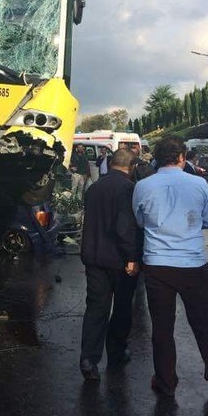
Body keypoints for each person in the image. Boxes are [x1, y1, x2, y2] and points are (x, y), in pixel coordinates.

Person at [132, 136, 208, 398]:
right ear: (181, 157)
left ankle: (166, 381)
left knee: (162, 328)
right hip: (191, 263)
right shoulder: (198, 184)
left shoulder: (142, 186)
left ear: (156, 158)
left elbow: (140, 222)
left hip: (157, 265)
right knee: (204, 324)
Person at [79, 148, 142, 381]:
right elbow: (125, 227)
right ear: (131, 166)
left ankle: (88, 358)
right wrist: (132, 257)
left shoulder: (94, 187)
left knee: (96, 307)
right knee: (123, 306)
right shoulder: (128, 188)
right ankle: (116, 350)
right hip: (119, 260)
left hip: (94, 257)